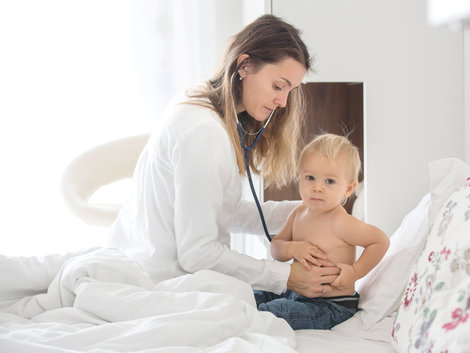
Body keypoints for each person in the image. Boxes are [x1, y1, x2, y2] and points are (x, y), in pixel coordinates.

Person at [108, 15, 340, 298]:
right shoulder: (203, 133)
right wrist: (285, 276)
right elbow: (197, 254)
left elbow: (218, 209)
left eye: (291, 91)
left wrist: (305, 211)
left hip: (149, 267)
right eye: (278, 86)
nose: (283, 102)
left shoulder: (199, 102)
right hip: (162, 285)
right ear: (244, 66)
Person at [255, 134, 390, 330]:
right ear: (299, 177)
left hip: (330, 305)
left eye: (329, 181)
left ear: (348, 188)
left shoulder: (341, 222)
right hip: (294, 291)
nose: (317, 187)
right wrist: (293, 248)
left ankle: (247, 319)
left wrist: (354, 272)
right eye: (310, 178)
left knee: (277, 311)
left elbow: (380, 241)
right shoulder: (298, 213)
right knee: (254, 291)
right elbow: (276, 248)